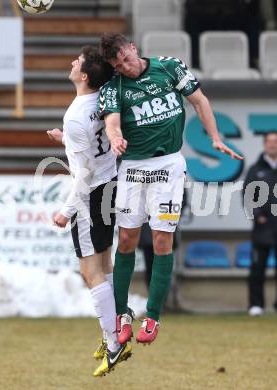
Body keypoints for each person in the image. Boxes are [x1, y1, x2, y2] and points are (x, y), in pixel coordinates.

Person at [98, 33, 243, 345]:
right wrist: (115, 137)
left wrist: (215, 137)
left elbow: (199, 100)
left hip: (168, 167)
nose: (125, 67)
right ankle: (122, 314)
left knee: (162, 240)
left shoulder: (169, 67)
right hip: (133, 168)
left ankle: (152, 316)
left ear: (133, 48)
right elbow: (111, 121)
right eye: (118, 65)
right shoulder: (114, 88)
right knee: (126, 238)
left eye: (126, 58)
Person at [47, 46, 131, 377]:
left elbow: (82, 175)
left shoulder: (75, 115)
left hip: (91, 194)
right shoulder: (104, 99)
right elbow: (94, 140)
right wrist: (65, 141)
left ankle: (113, 342)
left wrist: (66, 211)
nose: (71, 62)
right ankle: (114, 329)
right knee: (105, 263)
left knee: (89, 270)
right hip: (111, 184)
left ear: (83, 76)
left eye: (76, 62)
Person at [243, 132, 277, 316]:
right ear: (264, 145)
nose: (273, 145)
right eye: (270, 142)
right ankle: (256, 305)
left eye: (276, 142)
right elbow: (248, 196)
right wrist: (257, 215)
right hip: (262, 227)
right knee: (257, 268)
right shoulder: (255, 169)